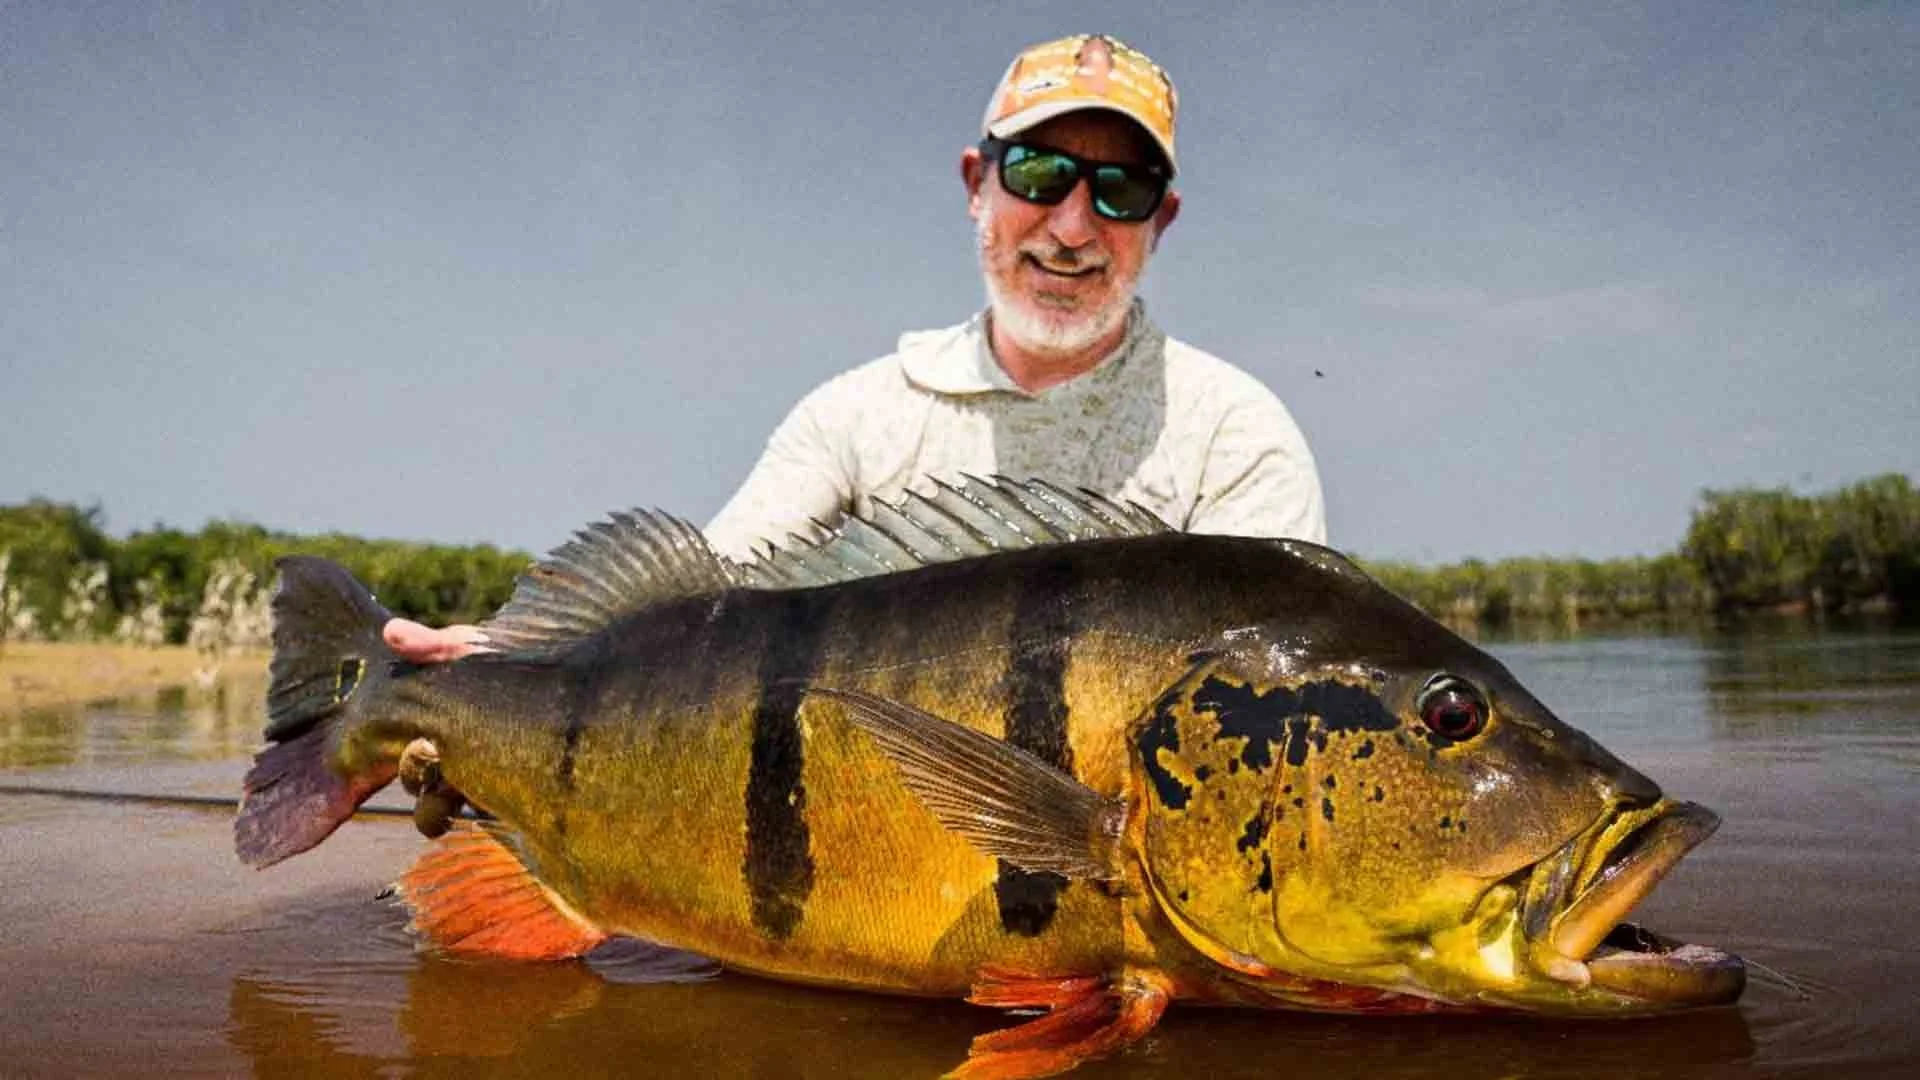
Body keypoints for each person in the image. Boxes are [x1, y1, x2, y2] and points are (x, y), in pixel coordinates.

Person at [383, 33, 1325, 664]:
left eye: (1119, 191)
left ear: (1161, 221)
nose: (1073, 225)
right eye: (1039, 173)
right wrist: (510, 671)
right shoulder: (856, 415)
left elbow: (1276, 708)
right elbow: (697, 617)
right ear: (976, 186)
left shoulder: (1234, 435)